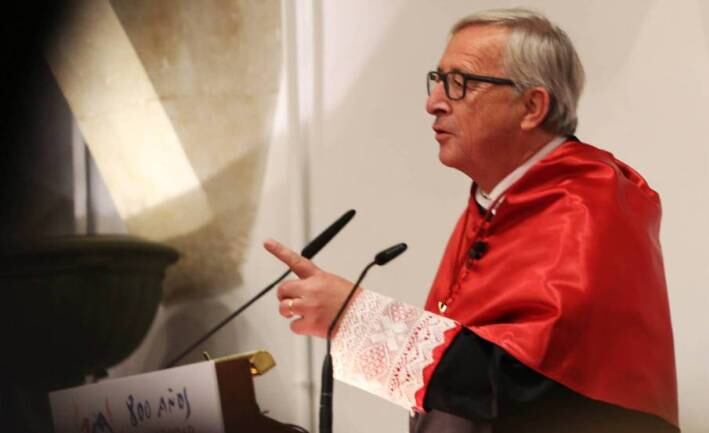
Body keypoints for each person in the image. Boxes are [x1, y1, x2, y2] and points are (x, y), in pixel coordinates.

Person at [264, 8, 678, 433]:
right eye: (437, 80)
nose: (433, 103)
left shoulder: (588, 203)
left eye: (460, 83)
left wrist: (357, 320)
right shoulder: (492, 203)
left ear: (532, 106)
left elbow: (530, 387)